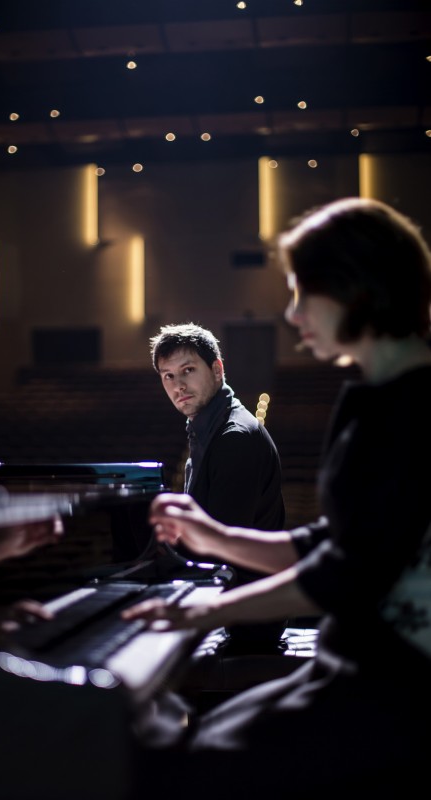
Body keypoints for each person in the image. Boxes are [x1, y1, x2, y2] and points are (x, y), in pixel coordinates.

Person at [124, 197, 431, 798]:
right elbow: (345, 541)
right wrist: (217, 537)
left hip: (397, 684)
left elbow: (348, 573)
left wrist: (206, 611)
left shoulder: (408, 410)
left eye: (302, 292)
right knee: (180, 743)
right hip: (363, 663)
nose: (291, 314)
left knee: (178, 763)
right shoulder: (382, 397)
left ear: (356, 289)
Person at [149, 322, 287, 652]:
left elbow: (224, 547)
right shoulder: (209, 429)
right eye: (167, 375)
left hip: (247, 619)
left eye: (187, 370)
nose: (178, 384)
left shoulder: (233, 437)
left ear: (216, 369)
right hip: (233, 600)